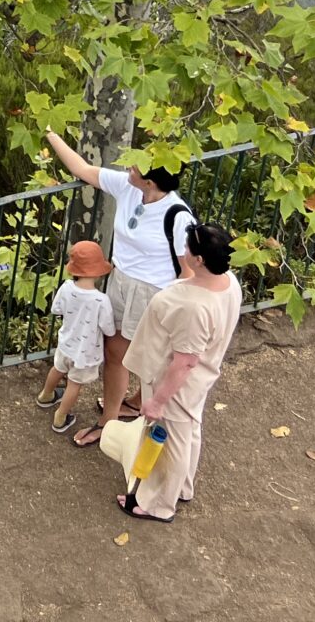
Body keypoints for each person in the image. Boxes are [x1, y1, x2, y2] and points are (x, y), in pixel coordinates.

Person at [42, 129, 193, 448]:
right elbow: (82, 170)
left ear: (150, 182)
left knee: (148, 359)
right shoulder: (128, 188)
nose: (128, 167)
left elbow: (188, 271)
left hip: (154, 292)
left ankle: (131, 409)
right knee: (116, 352)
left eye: (135, 166)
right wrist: (50, 133)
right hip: (121, 281)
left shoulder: (178, 218)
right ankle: (112, 417)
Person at [113, 221, 243, 521]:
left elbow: (185, 360)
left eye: (188, 249)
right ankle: (182, 487)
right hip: (200, 377)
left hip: (177, 382)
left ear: (199, 260)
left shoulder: (194, 307)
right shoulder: (229, 283)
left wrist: (158, 400)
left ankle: (159, 504)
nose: (183, 252)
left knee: (170, 440)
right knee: (187, 432)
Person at [36, 239, 115, 435]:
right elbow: (109, 329)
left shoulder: (66, 287)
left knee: (58, 368)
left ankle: (46, 395)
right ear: (97, 271)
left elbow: (56, 309)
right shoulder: (101, 300)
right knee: (74, 384)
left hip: (66, 343)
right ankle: (60, 417)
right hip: (84, 353)